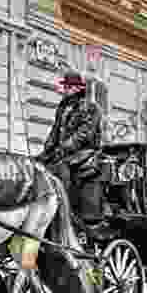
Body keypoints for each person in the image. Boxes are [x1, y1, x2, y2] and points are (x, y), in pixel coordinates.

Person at [36, 68, 105, 232]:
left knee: (61, 168)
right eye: (65, 87)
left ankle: (65, 210)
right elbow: (55, 131)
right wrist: (46, 152)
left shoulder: (91, 108)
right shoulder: (63, 107)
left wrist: (63, 148)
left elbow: (84, 135)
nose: (65, 90)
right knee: (38, 165)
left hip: (86, 153)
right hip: (64, 151)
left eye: (69, 87)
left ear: (78, 88)